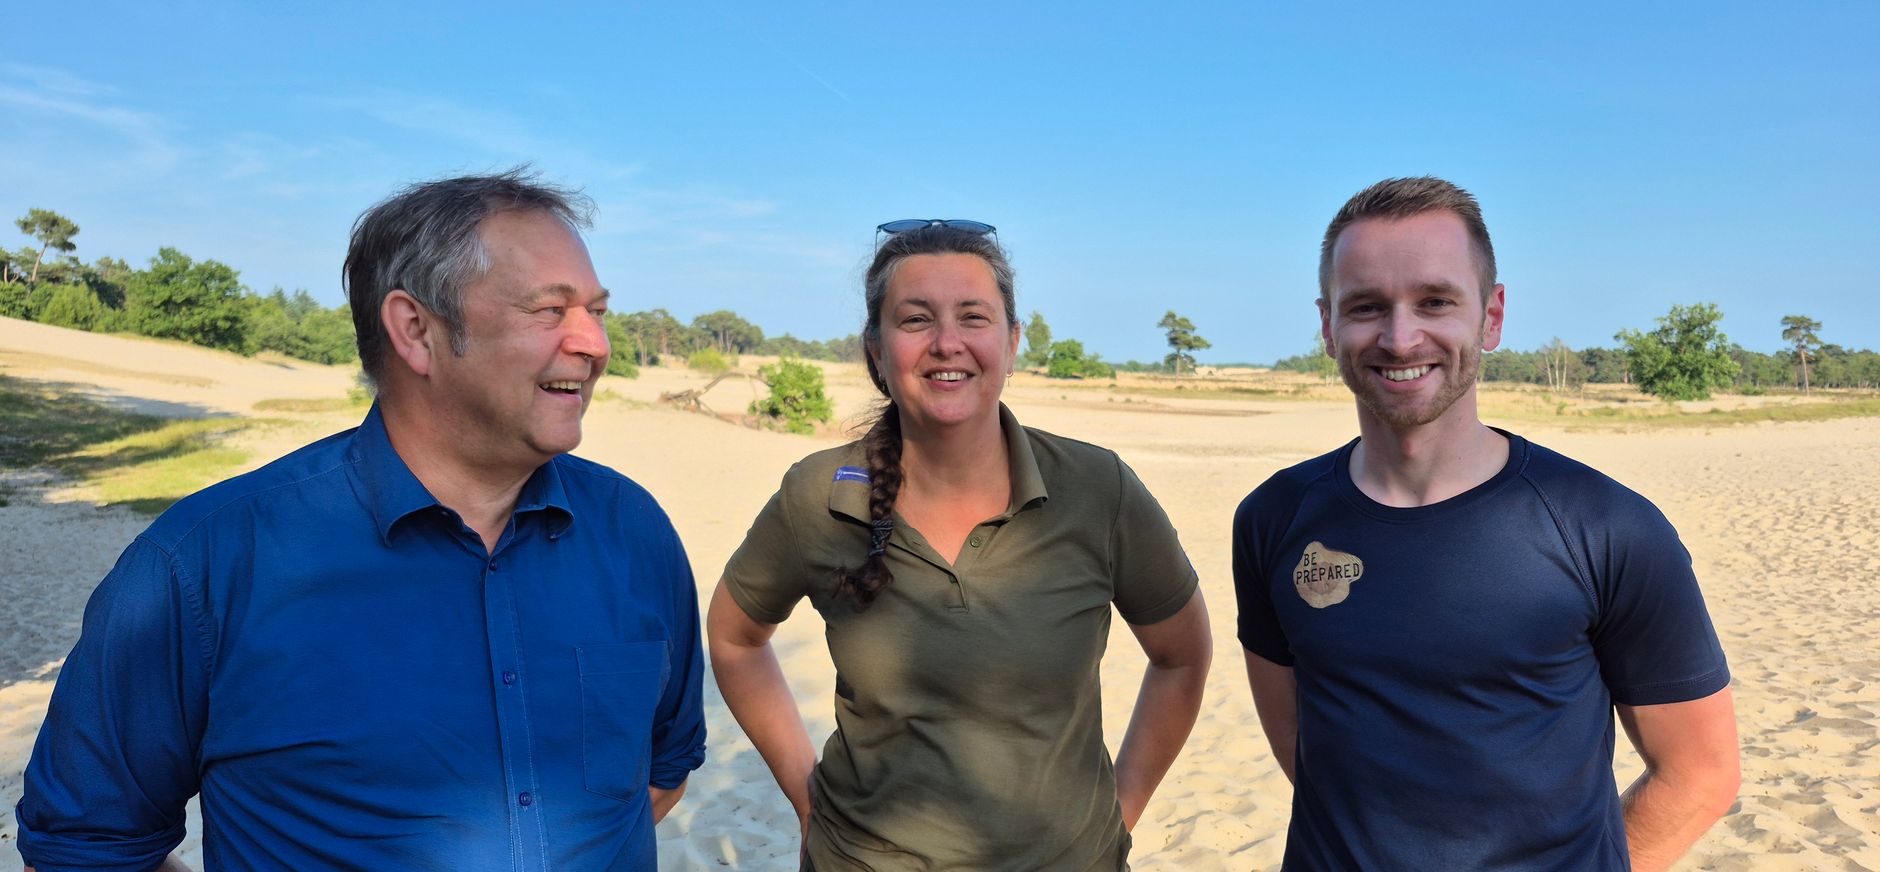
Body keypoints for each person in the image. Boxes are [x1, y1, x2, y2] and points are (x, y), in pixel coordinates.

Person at [15, 170, 706, 871]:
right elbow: (83, 848)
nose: (594, 343)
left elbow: (658, 774)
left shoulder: (635, 534)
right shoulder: (206, 565)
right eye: (549, 311)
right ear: (415, 330)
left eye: (597, 310)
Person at [1233, 176, 1740, 870]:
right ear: (1327, 326)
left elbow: (1700, 774)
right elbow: (1304, 747)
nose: (1401, 337)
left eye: (1435, 301)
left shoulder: (1606, 527)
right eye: (1366, 306)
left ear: (1491, 316)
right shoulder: (1274, 519)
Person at [708, 220, 1211, 871]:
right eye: (916, 319)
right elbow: (734, 637)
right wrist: (808, 801)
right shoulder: (818, 495)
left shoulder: (1098, 489)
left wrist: (1121, 810)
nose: (948, 343)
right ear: (876, 350)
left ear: (1013, 340)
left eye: (974, 317)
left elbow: (1181, 657)